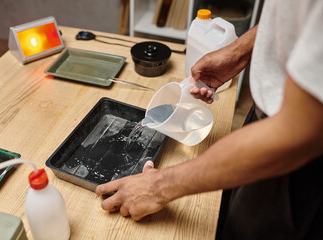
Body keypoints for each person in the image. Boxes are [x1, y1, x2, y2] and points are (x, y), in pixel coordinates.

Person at [96, 0, 323, 238]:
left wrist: (158, 187)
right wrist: (238, 52)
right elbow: (293, 16)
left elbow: (301, 133)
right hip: (271, 118)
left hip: (297, 161)